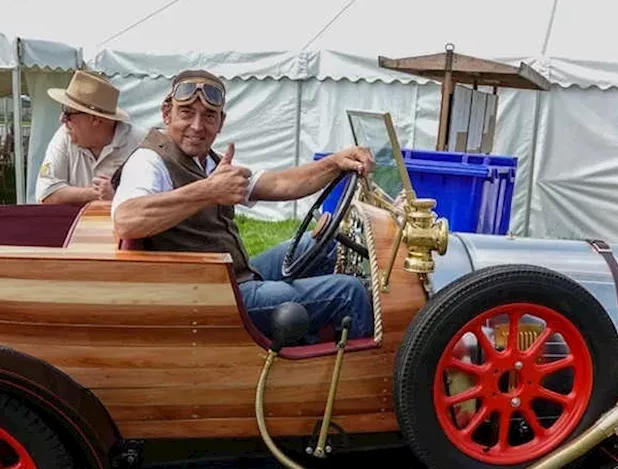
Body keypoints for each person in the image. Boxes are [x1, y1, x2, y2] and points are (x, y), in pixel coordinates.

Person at [111, 69, 374, 343]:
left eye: (209, 116)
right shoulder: (148, 161)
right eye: (187, 112)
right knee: (349, 292)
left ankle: (306, 341)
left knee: (326, 245)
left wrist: (334, 163)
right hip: (210, 297)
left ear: (221, 122)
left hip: (234, 277)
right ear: (167, 113)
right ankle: (357, 378)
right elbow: (126, 220)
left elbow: (279, 183)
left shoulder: (207, 161)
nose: (197, 126)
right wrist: (208, 191)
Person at [35, 70, 140, 205]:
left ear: (94, 119)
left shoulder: (141, 143)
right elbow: (46, 195)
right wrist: (94, 193)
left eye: (68, 113)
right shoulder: (65, 135)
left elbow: (151, 203)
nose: (62, 119)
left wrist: (116, 197)